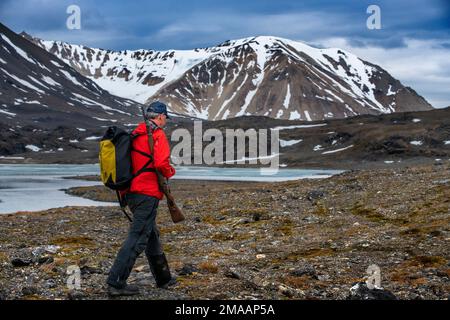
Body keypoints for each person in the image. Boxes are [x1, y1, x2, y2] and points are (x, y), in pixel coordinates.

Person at [106, 101, 177, 296]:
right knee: (137, 237)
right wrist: (171, 171)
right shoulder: (157, 135)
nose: (165, 122)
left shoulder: (135, 134)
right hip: (146, 192)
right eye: (165, 118)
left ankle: (164, 278)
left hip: (130, 193)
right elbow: (162, 163)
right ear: (161, 116)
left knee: (150, 233)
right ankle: (116, 282)